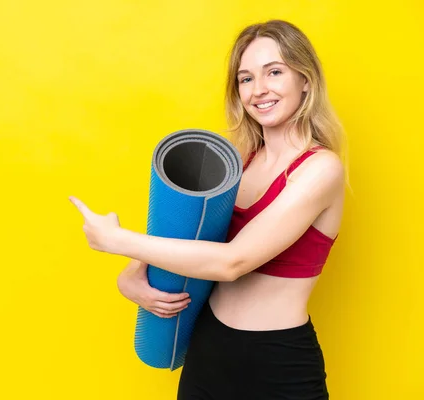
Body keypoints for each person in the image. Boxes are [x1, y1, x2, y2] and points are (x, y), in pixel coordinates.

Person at [69, 19, 346, 400]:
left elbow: (232, 261)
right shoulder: (240, 162)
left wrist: (120, 241)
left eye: (274, 72)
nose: (259, 89)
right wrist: (133, 277)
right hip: (209, 347)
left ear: (306, 80)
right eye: (245, 79)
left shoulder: (322, 169)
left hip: (277, 362)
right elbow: (191, 238)